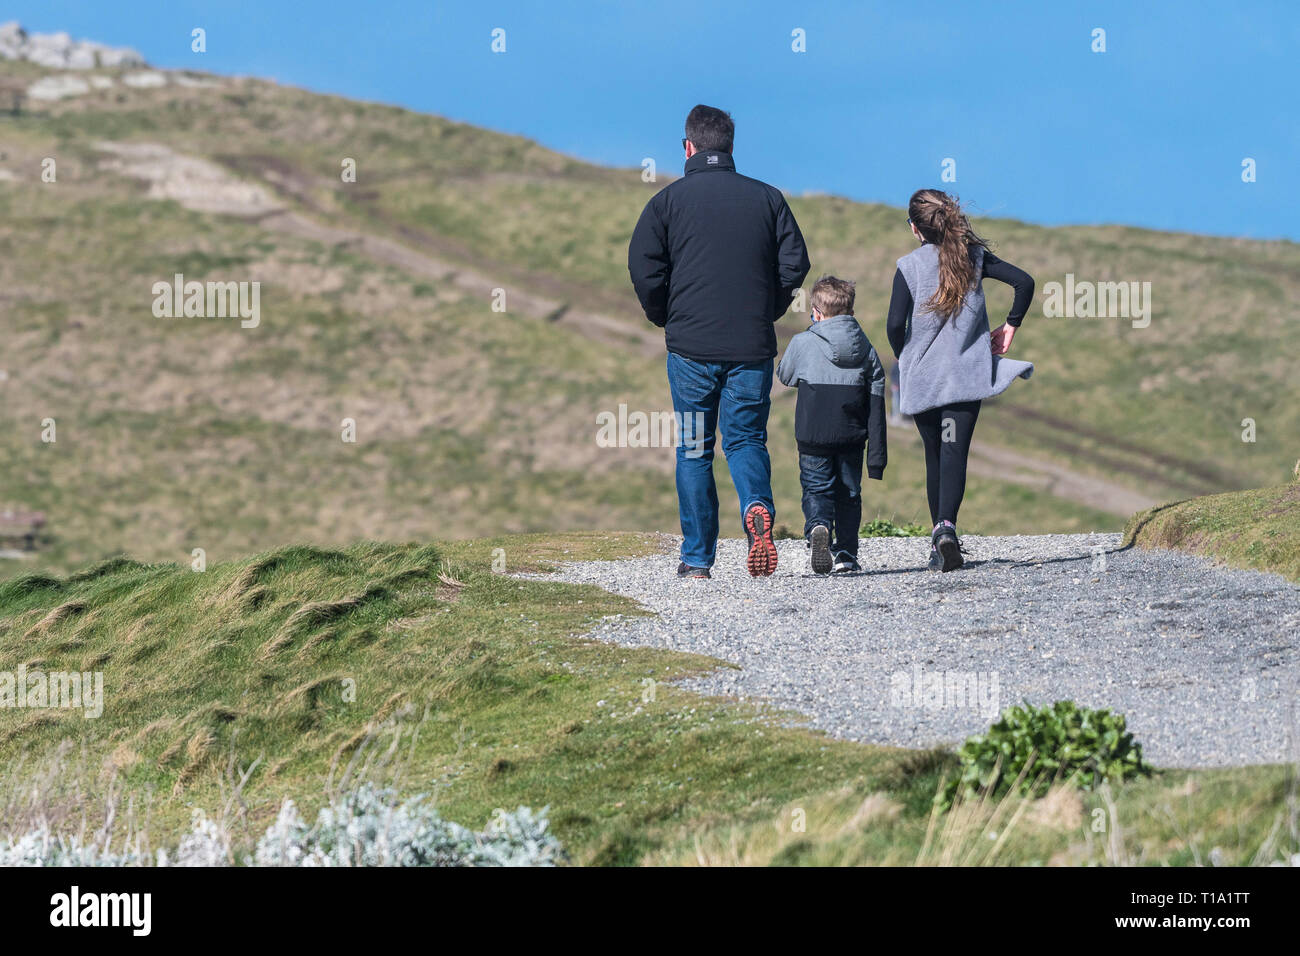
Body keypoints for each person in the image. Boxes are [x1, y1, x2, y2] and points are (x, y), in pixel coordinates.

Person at [628, 104, 810, 579]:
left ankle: (696, 560)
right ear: (730, 147)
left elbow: (643, 267)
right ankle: (756, 510)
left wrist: (664, 313)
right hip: (751, 345)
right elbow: (796, 263)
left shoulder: (665, 203)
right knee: (747, 439)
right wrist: (767, 308)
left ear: (688, 147)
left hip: (690, 347)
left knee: (693, 449)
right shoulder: (768, 199)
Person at [885, 189, 1034, 573]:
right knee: (954, 453)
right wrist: (1009, 328)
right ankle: (946, 530)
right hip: (965, 379)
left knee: (934, 455)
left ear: (916, 229)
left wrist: (907, 355)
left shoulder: (908, 266)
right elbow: (1024, 282)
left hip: (924, 382)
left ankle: (940, 539)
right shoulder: (974, 257)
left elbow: (892, 325)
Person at [776, 276, 887, 575]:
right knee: (849, 494)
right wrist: (877, 454)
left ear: (816, 312)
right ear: (850, 311)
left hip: (813, 433)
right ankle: (846, 553)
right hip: (851, 434)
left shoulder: (803, 341)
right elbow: (877, 389)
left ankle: (818, 526)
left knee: (815, 488)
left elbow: (784, 376)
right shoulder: (865, 347)